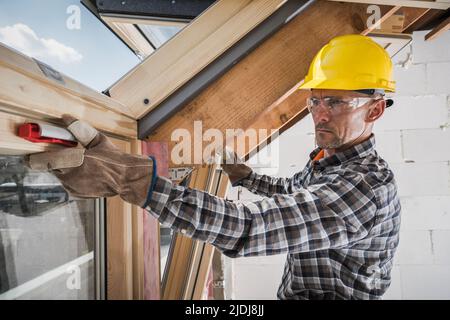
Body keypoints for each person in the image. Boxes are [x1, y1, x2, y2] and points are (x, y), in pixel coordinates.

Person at [28, 34, 401, 300]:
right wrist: (248, 178)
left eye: (334, 102)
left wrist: (134, 180)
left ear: (374, 110)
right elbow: (294, 195)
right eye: (314, 101)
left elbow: (251, 228)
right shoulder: (329, 162)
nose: (318, 115)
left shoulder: (365, 188)